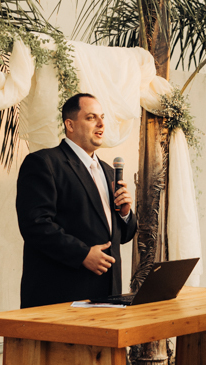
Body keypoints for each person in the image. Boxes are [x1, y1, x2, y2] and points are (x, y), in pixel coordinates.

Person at [16, 93, 137, 307]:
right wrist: (83, 254)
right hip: (61, 296)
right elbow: (35, 224)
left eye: (102, 117)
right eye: (91, 117)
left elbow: (124, 236)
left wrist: (126, 213)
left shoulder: (109, 172)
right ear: (70, 125)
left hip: (108, 296)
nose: (101, 124)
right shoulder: (44, 163)